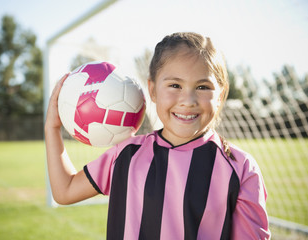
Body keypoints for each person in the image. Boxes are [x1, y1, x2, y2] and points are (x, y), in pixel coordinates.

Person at [45, 32, 271, 239]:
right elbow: (65, 191)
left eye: (202, 87)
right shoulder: (127, 154)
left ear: (220, 95)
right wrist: (52, 129)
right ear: (152, 90)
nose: (188, 100)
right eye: (175, 85)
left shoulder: (240, 168)